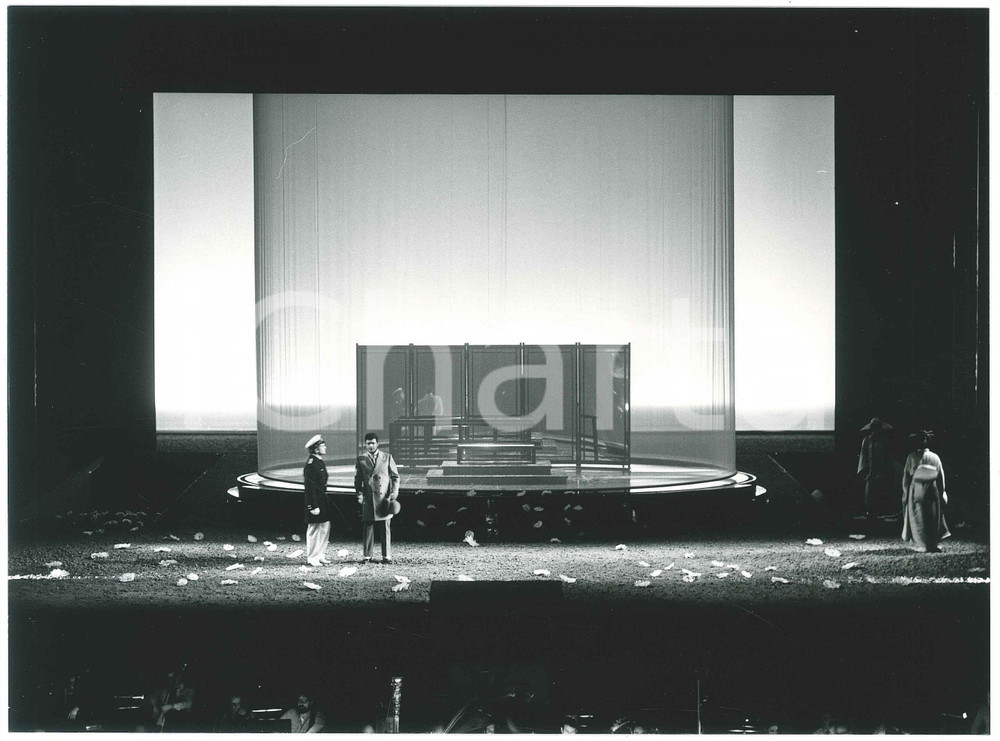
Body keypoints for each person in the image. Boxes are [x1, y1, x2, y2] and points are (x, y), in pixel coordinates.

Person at [901, 430, 950, 553]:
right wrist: (941, 491)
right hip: (932, 490)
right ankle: (931, 544)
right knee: (931, 517)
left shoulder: (911, 457)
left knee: (918, 517)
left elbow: (906, 477)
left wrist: (906, 493)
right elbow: (940, 477)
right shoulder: (935, 457)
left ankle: (922, 544)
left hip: (916, 490)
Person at [355, 432, 400, 563]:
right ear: (365, 444)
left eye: (373, 443)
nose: (370, 446)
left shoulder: (387, 457)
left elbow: (395, 477)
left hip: (384, 498)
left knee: (385, 527)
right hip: (369, 498)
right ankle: (367, 556)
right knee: (368, 526)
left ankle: (387, 556)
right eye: (368, 443)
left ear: (377, 443)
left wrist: (394, 493)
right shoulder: (361, 459)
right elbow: (358, 480)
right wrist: (359, 494)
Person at [303, 434, 332, 567]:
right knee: (314, 530)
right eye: (322, 445)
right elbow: (309, 488)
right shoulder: (311, 464)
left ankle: (320, 555)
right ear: (316, 449)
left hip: (322, 501)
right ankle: (312, 557)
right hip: (315, 502)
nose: (325, 447)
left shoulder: (318, 461)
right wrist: (312, 505)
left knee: (324, 528)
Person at [857, 417, 894, 518]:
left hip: (882, 471)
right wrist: (865, 470)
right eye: (875, 427)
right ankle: (870, 514)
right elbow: (863, 456)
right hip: (870, 471)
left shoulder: (884, 441)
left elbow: (887, 457)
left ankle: (880, 514)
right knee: (868, 495)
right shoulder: (866, 440)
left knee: (881, 494)